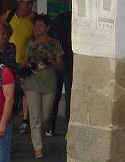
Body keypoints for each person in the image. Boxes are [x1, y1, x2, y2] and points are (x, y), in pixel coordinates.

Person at [22, 13, 62, 159]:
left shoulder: (55, 43)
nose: (38, 28)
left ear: (47, 27)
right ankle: (37, 148)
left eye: (41, 25)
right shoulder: (29, 43)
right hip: (32, 82)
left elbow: (59, 65)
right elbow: (24, 62)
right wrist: (28, 66)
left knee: (44, 115)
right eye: (36, 25)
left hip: (49, 82)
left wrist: (50, 62)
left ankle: (39, 138)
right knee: (35, 117)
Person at [0, 0, 33, 133]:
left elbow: (35, 40)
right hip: (8, 62)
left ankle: (25, 119)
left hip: (23, 61)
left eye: (31, 3)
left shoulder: (31, 19)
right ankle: (7, 117)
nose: (29, 6)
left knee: (24, 91)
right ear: (19, 2)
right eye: (27, 3)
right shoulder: (9, 15)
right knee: (8, 92)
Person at [46, 9, 71, 137]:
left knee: (54, 95)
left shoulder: (59, 19)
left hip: (57, 60)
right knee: (69, 97)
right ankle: (68, 127)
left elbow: (50, 35)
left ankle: (51, 126)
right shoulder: (73, 20)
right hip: (70, 60)